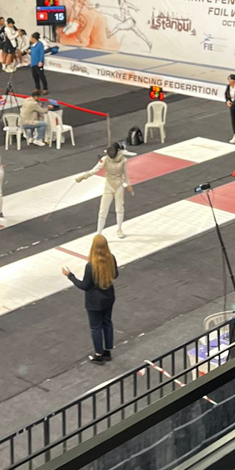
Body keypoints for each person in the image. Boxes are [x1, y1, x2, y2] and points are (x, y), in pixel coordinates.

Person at [62, 235, 118, 363]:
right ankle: (107, 351)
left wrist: (70, 276)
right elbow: (115, 274)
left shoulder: (91, 266)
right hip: (109, 297)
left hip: (94, 302)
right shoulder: (111, 258)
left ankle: (98, 354)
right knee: (107, 323)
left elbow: (85, 286)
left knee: (96, 327)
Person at [76, 141, 136, 237]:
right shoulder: (105, 159)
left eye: (113, 151)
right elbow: (94, 170)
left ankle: (119, 230)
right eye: (110, 151)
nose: (111, 152)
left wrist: (128, 184)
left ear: (117, 151)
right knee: (103, 211)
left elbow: (125, 174)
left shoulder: (123, 160)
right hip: (108, 186)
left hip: (119, 186)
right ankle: (99, 234)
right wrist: (83, 177)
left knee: (119, 209)